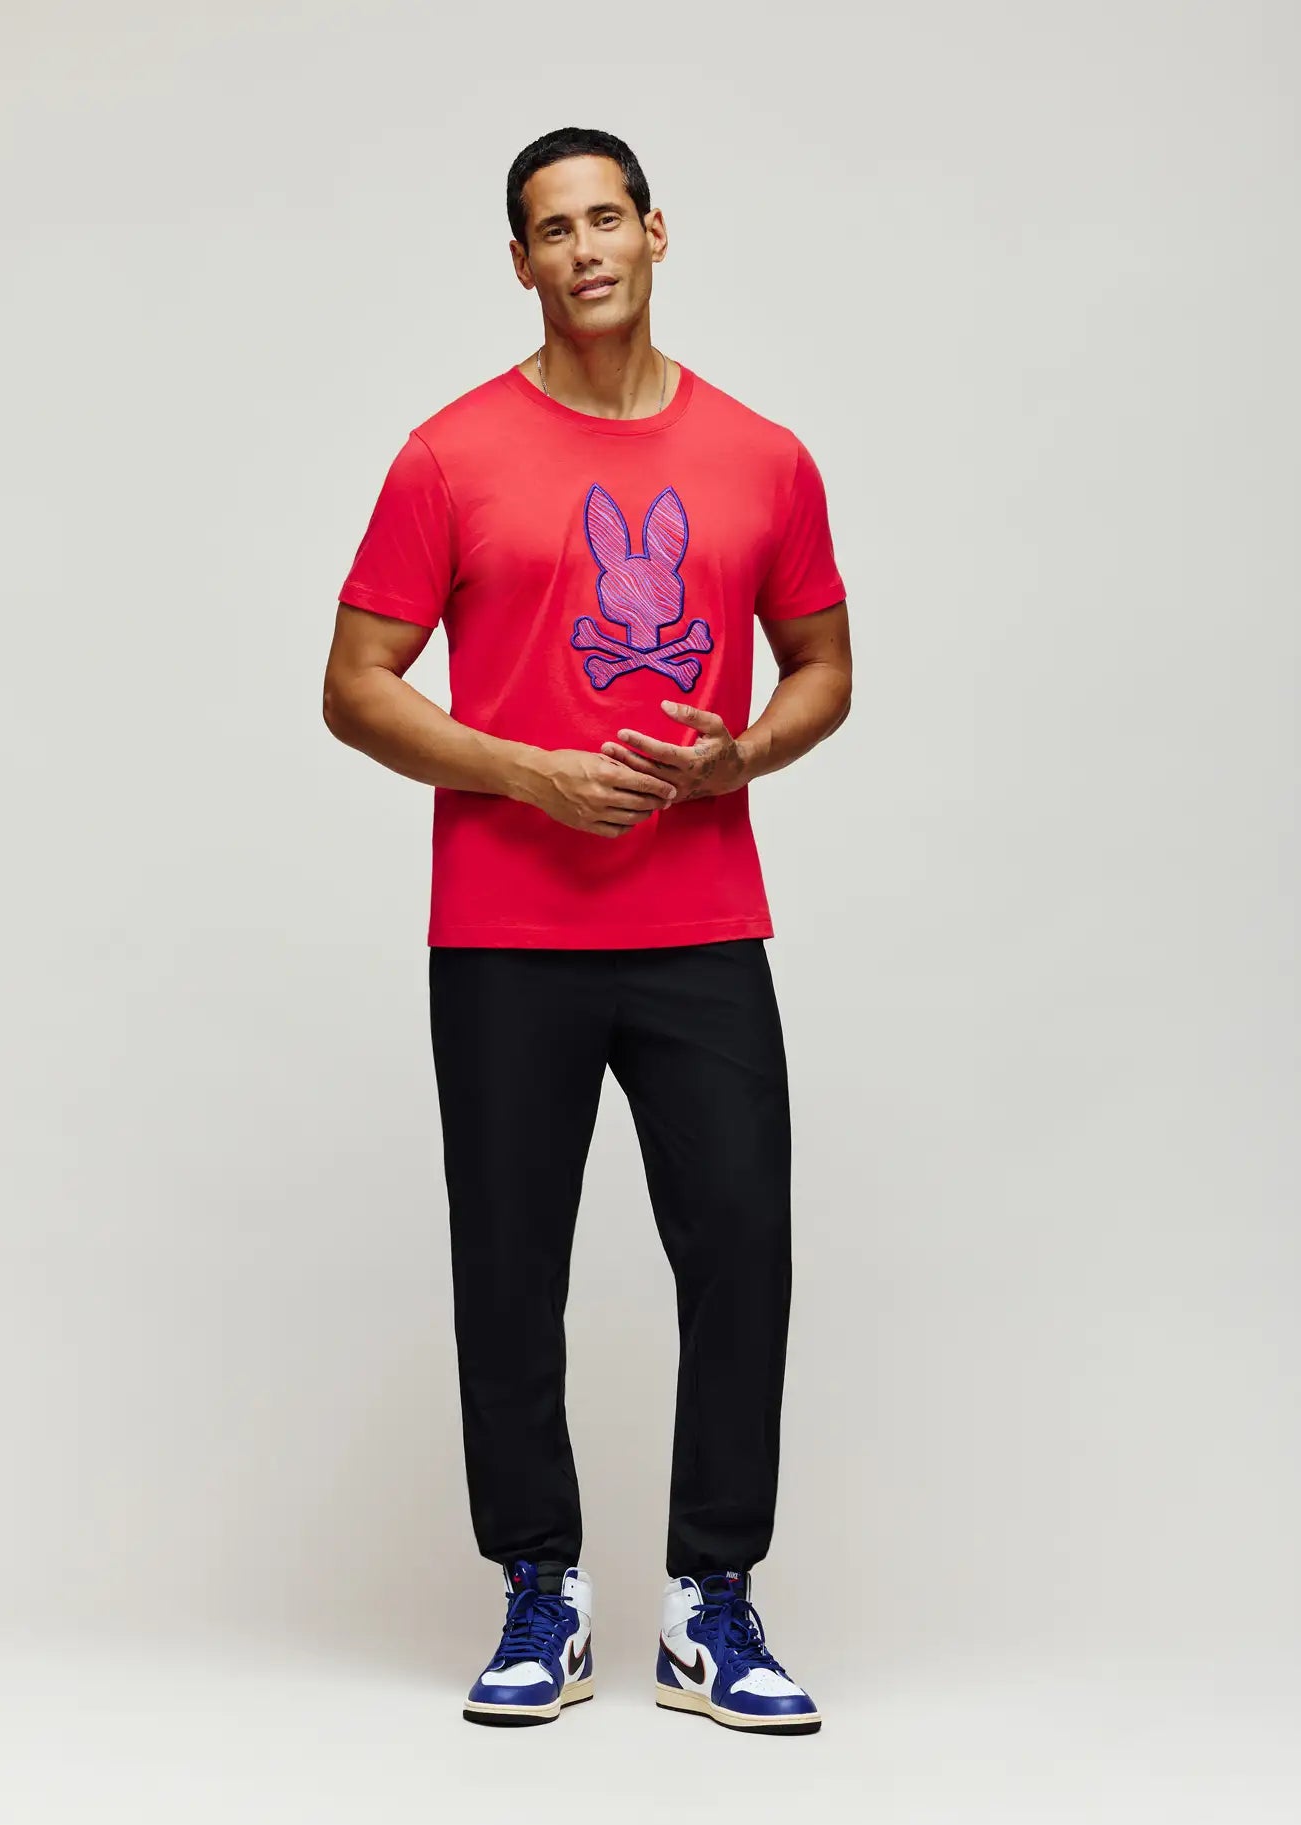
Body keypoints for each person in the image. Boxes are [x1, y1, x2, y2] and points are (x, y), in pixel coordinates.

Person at [322, 126, 851, 1736]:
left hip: (702, 923)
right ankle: (538, 1592)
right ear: (520, 262)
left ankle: (711, 1602)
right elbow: (354, 686)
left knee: (742, 1253)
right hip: (504, 931)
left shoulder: (763, 456)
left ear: (656, 232)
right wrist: (528, 774)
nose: (585, 250)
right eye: (552, 230)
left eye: (606, 217)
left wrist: (741, 756)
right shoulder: (449, 456)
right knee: (510, 1267)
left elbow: (823, 666)